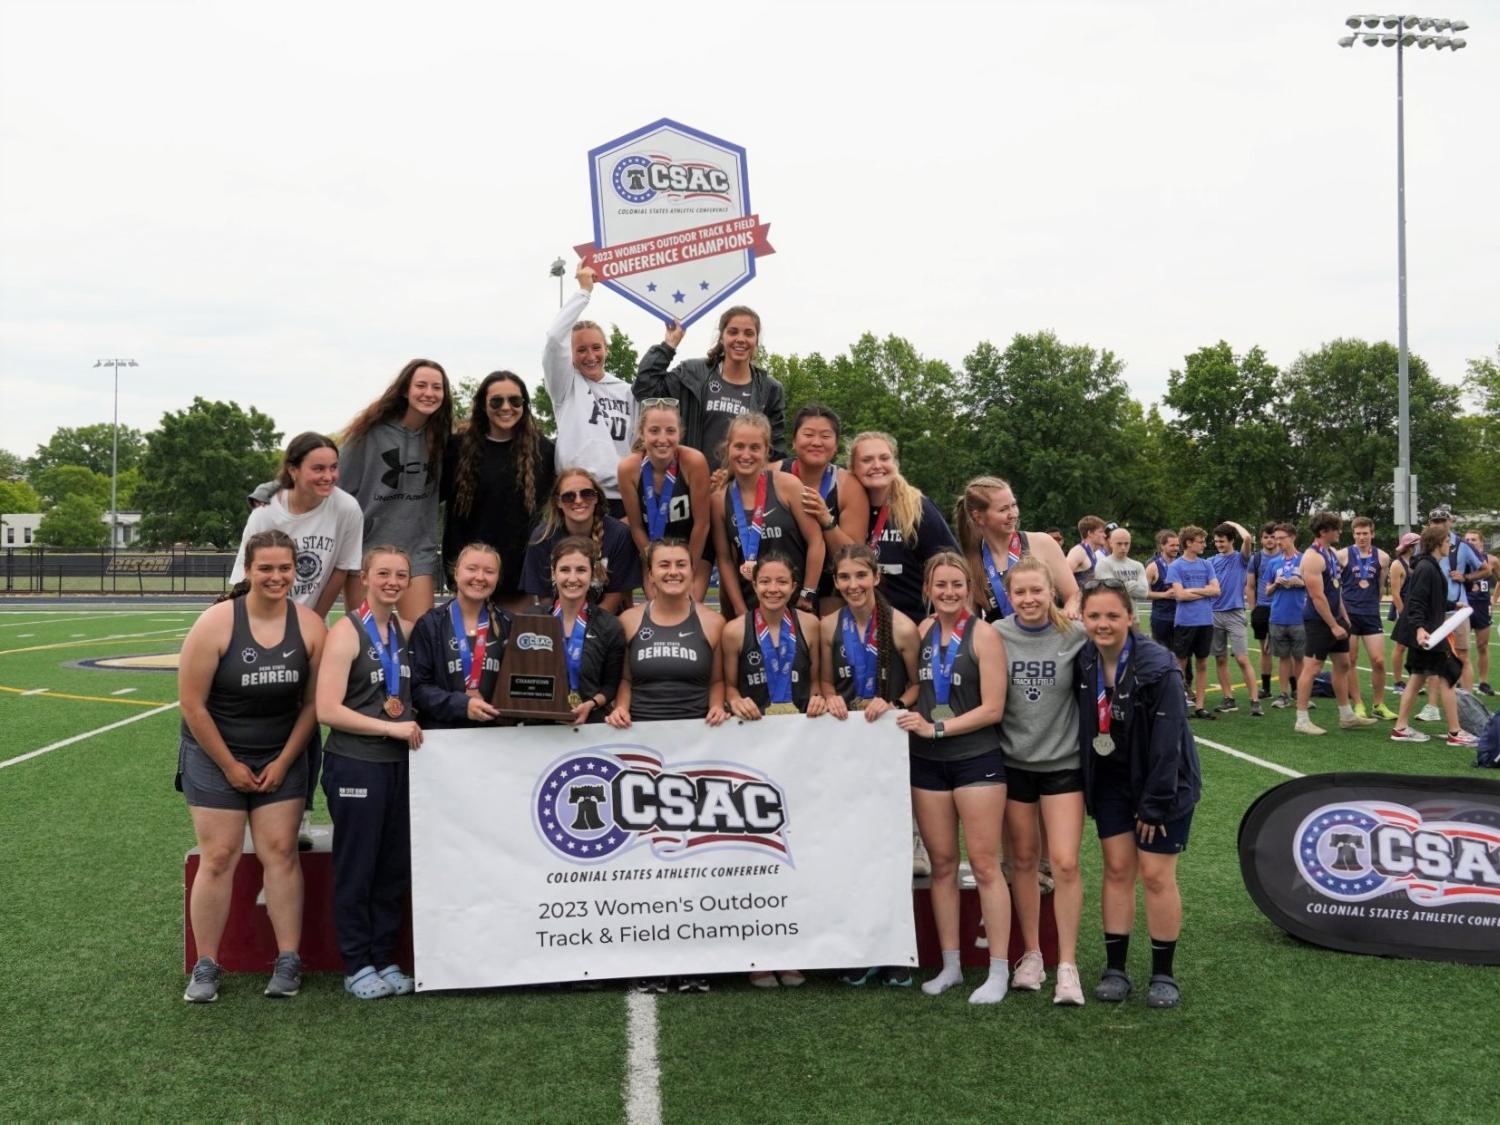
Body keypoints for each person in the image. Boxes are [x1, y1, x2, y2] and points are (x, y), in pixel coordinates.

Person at [178, 530, 326, 1003]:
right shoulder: (216, 622)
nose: (276, 576)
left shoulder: (309, 625)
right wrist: (229, 765)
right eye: (266, 568)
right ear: (248, 570)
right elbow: (192, 705)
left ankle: (288, 960)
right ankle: (206, 965)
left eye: (285, 568)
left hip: (279, 753)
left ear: (295, 570)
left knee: (280, 851)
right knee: (218, 855)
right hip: (214, 752)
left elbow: (311, 705)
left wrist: (285, 761)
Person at [606, 538, 728, 994]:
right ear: (650, 575)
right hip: (642, 752)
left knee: (693, 855)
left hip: (695, 753)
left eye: (681, 564)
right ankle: (647, 956)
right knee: (646, 857)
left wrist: (716, 707)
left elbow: (717, 681)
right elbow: (624, 679)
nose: (674, 571)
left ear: (693, 572)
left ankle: (696, 958)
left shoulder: (713, 623)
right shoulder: (630, 620)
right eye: (665, 565)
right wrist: (620, 709)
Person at [231, 432, 363, 846]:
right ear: (293, 470)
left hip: (308, 624)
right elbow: (241, 580)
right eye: (318, 468)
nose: (328, 476)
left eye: (333, 468)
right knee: (258, 713)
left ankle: (302, 813)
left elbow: (342, 570)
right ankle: (243, 804)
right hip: (259, 622)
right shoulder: (266, 515)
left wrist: (313, 623)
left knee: (308, 721)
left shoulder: (346, 507)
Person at [1075, 577, 1201, 1009]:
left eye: (1112, 615)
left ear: (1131, 617)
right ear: (1082, 618)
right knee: (1116, 869)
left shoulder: (1159, 665)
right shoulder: (1085, 660)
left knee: (1156, 874)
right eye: (1094, 616)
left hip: (1164, 784)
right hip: (1112, 781)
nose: (1103, 624)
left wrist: (1155, 803)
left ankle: (1163, 974)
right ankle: (1116, 968)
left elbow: (1169, 743)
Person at [895, 553, 1011, 1005]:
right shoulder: (919, 632)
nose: (948, 593)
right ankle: (950, 965)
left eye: (957, 585)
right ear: (927, 588)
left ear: (970, 588)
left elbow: (993, 708)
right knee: (942, 866)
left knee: (984, 865)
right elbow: (910, 688)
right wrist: (899, 709)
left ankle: (998, 969)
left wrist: (937, 727)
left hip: (975, 760)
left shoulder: (985, 635)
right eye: (940, 585)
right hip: (927, 763)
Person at [315, 546, 424, 1000]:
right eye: (383, 573)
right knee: (357, 868)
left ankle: (384, 956)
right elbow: (326, 709)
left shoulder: (406, 629)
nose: (392, 582)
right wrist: (390, 727)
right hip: (358, 762)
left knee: (392, 868)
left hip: (400, 766)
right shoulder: (346, 632)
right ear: (365, 577)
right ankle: (356, 963)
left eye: (401, 575)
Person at [719, 551, 823, 988]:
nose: (774, 589)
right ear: (754, 584)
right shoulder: (732, 631)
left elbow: (822, 680)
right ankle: (758, 951)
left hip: (800, 750)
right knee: (756, 852)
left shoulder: (812, 625)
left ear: (794, 586)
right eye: (766, 582)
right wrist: (732, 698)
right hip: (753, 751)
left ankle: (795, 947)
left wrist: (820, 694)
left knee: (797, 850)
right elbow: (722, 683)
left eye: (782, 582)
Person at [820, 544, 922, 989]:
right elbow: (824, 679)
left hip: (890, 751)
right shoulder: (828, 626)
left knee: (892, 850)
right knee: (852, 849)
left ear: (876, 577)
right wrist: (830, 694)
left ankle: (896, 950)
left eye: (860, 576)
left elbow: (920, 687)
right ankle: (857, 946)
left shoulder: (900, 627)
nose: (853, 585)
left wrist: (895, 702)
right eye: (844, 578)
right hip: (844, 751)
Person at [995, 556, 1088, 1007]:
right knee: (1024, 861)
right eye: (1019, 592)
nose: (1029, 600)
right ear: (1007, 595)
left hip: (1063, 764)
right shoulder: (995, 634)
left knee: (1066, 863)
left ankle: (1067, 963)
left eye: (1037, 591)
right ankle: (1031, 953)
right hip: (1013, 765)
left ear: (1052, 590)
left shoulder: (1076, 634)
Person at [337, 358, 453, 620]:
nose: (429, 393)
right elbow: (329, 475)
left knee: (420, 636)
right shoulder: (368, 433)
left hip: (416, 552)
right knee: (365, 639)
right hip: (367, 550)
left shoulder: (443, 440)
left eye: (437, 387)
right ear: (404, 390)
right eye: (421, 385)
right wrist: (272, 490)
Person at [442, 372, 556, 614]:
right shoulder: (456, 447)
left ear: (524, 406)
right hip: (469, 571)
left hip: (519, 577)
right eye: (497, 401)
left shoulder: (543, 451)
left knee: (512, 648)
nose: (506, 407)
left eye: (515, 401)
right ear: (483, 405)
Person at [634, 306, 787, 471]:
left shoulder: (769, 390)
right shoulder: (692, 373)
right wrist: (669, 345)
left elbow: (775, 452)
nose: (741, 339)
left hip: (738, 490)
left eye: (749, 333)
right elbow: (645, 388)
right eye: (733, 332)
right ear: (722, 337)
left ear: (756, 340)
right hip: (691, 483)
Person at [711, 413, 823, 620]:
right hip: (751, 607)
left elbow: (816, 541)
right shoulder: (719, 498)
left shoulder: (788, 485)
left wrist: (807, 594)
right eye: (739, 446)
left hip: (796, 604)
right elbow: (725, 559)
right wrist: (740, 610)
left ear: (766, 450)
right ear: (728, 448)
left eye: (754, 447)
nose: (746, 454)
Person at [543, 265, 635, 513]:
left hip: (621, 498)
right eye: (581, 350)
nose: (590, 356)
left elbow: (637, 446)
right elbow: (553, 339)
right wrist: (584, 291)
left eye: (596, 347)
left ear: (607, 349)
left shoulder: (627, 391)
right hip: (577, 495)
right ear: (570, 355)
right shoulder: (565, 386)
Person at [848, 431, 958, 622]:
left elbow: (954, 564)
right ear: (852, 468)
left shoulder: (918, 508)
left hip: (913, 624)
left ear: (895, 464)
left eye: (884, 458)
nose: (877, 465)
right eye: (867, 460)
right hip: (861, 625)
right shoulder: (846, 509)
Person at [616, 399, 712, 600]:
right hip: (652, 548)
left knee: (689, 603)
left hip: (693, 546)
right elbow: (636, 528)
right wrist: (654, 565)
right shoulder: (628, 469)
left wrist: (688, 569)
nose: (662, 439)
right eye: (654, 431)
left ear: (680, 433)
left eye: (670, 431)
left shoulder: (694, 462)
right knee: (657, 603)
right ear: (642, 433)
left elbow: (702, 524)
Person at [1390, 525, 1476, 746]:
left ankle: (1400, 728)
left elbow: (1432, 599)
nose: (1450, 544)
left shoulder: (1430, 566)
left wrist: (1452, 604)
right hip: (1428, 635)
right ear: (1437, 544)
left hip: (1428, 633)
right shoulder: (1427, 568)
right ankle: (1455, 733)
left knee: (1418, 677)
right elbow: (1417, 601)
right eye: (1447, 541)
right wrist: (1420, 629)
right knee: (1448, 675)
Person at [410, 543, 512, 729]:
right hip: (443, 739)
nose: (480, 577)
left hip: (496, 740)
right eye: (472, 569)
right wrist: (461, 705)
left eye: (489, 571)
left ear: (497, 578)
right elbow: (417, 689)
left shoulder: (510, 625)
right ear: (456, 573)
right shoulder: (430, 625)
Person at [1293, 512, 1377, 736]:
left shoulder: (1330, 553)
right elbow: (1317, 597)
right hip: (1319, 621)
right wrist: (1332, 625)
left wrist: (1344, 616)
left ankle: (1346, 715)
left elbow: (1335, 589)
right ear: (1323, 531)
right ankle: (1301, 719)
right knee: (1312, 668)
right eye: (1336, 529)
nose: (1340, 532)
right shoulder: (1312, 557)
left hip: (1335, 618)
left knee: (1343, 665)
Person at [780, 404, 869, 613]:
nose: (816, 442)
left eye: (826, 436)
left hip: (831, 593)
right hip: (778, 587)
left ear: (836, 445)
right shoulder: (774, 475)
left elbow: (856, 558)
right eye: (808, 434)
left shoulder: (848, 486)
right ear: (793, 441)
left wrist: (826, 520)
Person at [954, 476, 1079, 622]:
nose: (1012, 514)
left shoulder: (1042, 543)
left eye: (1013, 505)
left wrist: (1070, 610)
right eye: (1003, 509)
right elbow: (969, 622)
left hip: (1045, 639)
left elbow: (1074, 595)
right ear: (979, 517)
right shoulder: (970, 561)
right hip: (999, 642)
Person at [520, 468, 641, 614]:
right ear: (558, 502)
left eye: (587, 494)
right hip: (557, 619)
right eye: (569, 496)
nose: (578, 501)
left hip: (606, 621)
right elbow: (545, 598)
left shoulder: (619, 535)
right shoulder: (542, 537)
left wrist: (587, 628)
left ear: (596, 498)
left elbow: (615, 597)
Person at [547, 536, 627, 725]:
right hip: (541, 727)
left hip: (590, 725)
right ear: (553, 573)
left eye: (581, 570)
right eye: (565, 570)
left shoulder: (609, 625)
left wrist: (591, 704)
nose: (572, 578)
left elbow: (611, 685)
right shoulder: (534, 620)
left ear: (592, 575)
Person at [1337, 517, 1397, 720]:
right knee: (1350, 660)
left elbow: (1380, 587)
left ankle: (1379, 704)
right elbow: (1336, 585)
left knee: (1379, 661)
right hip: (1349, 614)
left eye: (1365, 533)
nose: (1362, 537)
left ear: (1372, 534)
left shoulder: (1383, 557)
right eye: (1358, 533)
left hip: (1371, 614)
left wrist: (1372, 605)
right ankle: (1358, 703)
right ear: (1353, 534)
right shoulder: (1343, 555)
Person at [1208, 520, 1262, 716]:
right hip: (1213, 614)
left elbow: (1247, 537)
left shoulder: (1241, 558)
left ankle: (1255, 700)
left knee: (1241, 658)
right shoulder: (1211, 562)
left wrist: (1232, 523)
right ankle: (1228, 698)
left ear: (1231, 540)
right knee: (1220, 659)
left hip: (1234, 613)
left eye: (1222, 541)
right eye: (1216, 541)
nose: (1219, 544)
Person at [1166, 526, 1219, 720]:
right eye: (1201, 541)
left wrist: (1193, 591)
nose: (1205, 544)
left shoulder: (1206, 565)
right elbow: (1179, 595)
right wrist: (1204, 589)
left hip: (1205, 621)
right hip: (1185, 622)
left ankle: (1200, 706)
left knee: (1203, 663)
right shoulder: (1176, 566)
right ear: (1189, 543)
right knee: (1180, 663)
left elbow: (1216, 590)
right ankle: (1180, 704)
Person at [1246, 522, 1280, 700]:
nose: (1270, 540)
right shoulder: (1256, 558)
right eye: (1266, 537)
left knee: (1287, 650)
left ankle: (1293, 689)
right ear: (1261, 539)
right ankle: (1266, 688)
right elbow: (1250, 586)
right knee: (1265, 650)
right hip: (1263, 609)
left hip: (1283, 608)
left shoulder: (1286, 557)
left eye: (1273, 536)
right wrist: (1254, 609)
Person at [1387, 531, 1420, 693]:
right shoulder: (1397, 564)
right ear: (1410, 547)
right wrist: (1404, 615)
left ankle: (1415, 680)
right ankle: (1398, 682)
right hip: (1405, 610)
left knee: (1417, 646)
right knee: (1401, 647)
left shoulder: (1416, 561)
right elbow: (1395, 593)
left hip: (1417, 610)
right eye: (1416, 544)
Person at [1462, 529, 1493, 694]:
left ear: (1481, 542)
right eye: (1467, 539)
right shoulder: (1461, 559)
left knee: (1482, 645)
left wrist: (1493, 600)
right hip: (1464, 606)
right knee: (1461, 647)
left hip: (1482, 607)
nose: (1470, 542)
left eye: (1474, 539)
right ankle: (1461, 680)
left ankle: (1483, 682)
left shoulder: (1491, 560)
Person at [1092, 526, 1149, 604]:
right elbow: (1110, 591)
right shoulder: (1103, 564)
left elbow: (1144, 592)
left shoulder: (1138, 566)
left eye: (1126, 544)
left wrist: (1120, 584)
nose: (1123, 547)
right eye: (1119, 543)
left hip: (1132, 614)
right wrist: (1133, 584)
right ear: (1111, 543)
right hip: (1111, 612)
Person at [1143, 530, 1180, 652]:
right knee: (1161, 655)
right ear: (1162, 546)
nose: (1176, 548)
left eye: (1177, 545)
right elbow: (1144, 593)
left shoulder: (1182, 565)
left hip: (1181, 617)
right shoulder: (1153, 567)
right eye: (1172, 545)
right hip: (1161, 618)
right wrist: (1164, 594)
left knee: (1182, 655)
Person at [1066, 516, 1108, 582]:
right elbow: (1062, 575)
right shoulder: (1079, 551)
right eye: (1101, 532)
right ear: (1090, 533)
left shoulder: (1092, 553)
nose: (1105, 535)